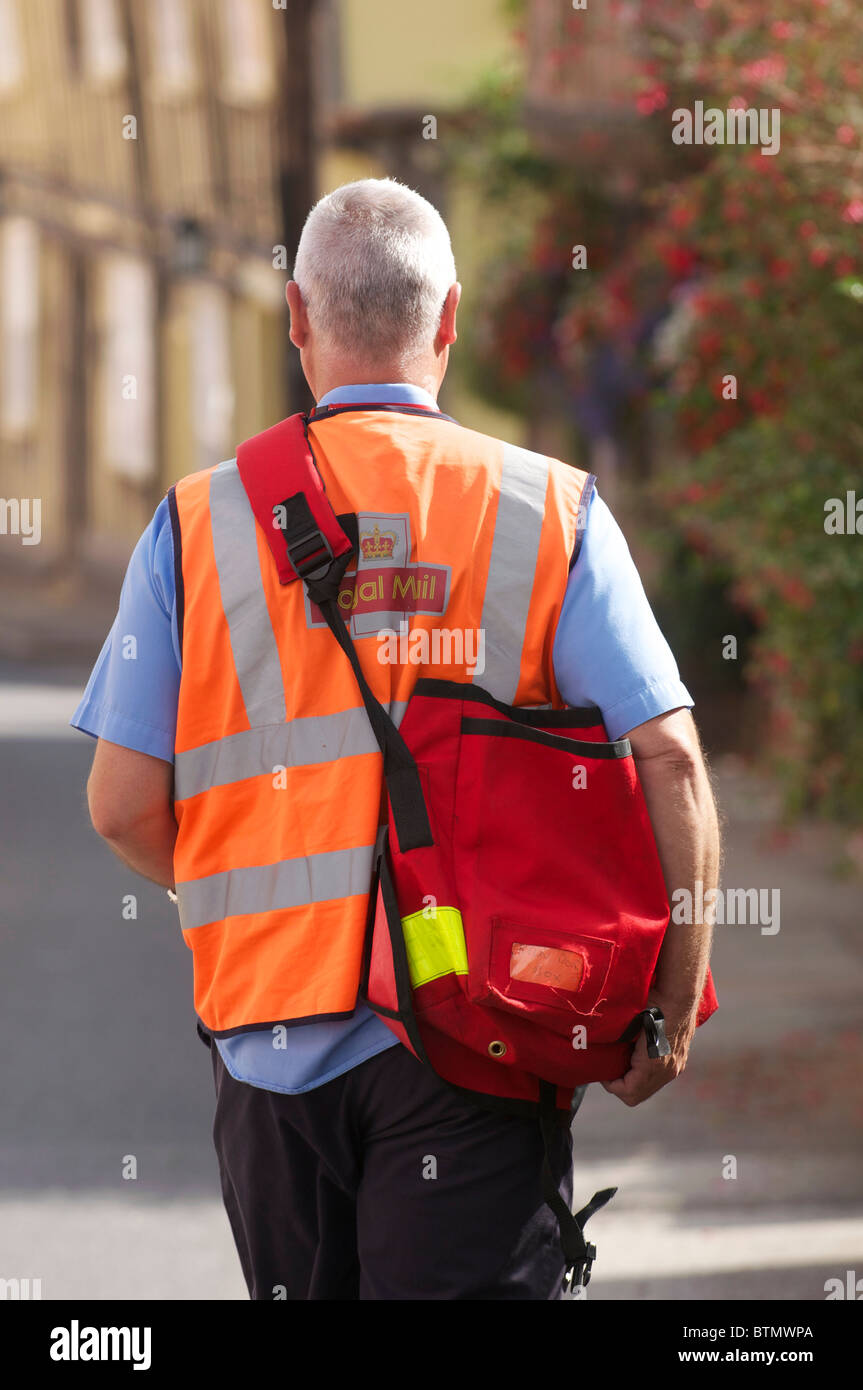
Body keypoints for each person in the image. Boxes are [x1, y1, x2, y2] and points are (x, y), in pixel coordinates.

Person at [72, 177, 719, 1301]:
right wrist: (663, 1014)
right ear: (451, 319)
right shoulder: (547, 509)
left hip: (269, 1051)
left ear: (296, 317)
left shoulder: (195, 524)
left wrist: (254, 889)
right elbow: (666, 757)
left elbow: (124, 806)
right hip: (477, 1034)